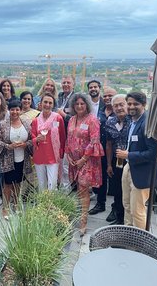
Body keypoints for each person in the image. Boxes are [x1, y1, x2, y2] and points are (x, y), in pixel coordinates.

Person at [116, 91, 157, 230]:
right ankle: (129, 235)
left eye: (136, 104)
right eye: (129, 104)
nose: (131, 106)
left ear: (144, 105)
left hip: (142, 173)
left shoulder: (148, 123)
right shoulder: (133, 121)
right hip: (130, 167)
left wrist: (128, 155)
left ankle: (140, 243)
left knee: (137, 210)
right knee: (127, 205)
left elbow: (153, 153)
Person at [65, 93, 104, 236]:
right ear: (73, 106)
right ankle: (79, 215)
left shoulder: (92, 120)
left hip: (87, 160)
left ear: (87, 105)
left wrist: (83, 159)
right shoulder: (71, 119)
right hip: (74, 160)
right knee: (78, 189)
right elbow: (69, 139)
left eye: (82, 103)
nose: (80, 106)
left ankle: (83, 222)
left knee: (83, 189)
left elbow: (95, 141)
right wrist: (68, 155)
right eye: (77, 104)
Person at [0, 100, 33, 219]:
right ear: (8, 110)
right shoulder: (3, 124)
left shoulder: (26, 123)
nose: (15, 112)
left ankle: (16, 205)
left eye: (17, 109)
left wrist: (26, 144)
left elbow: (32, 139)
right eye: (12, 109)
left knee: (18, 183)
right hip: (8, 159)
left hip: (22, 158)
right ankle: (5, 209)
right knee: (8, 185)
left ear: (21, 110)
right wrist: (7, 146)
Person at [105, 94, 131, 225]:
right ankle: (119, 217)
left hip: (131, 160)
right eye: (116, 106)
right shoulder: (110, 121)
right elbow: (108, 144)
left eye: (122, 104)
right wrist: (109, 164)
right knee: (117, 189)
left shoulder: (133, 121)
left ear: (127, 105)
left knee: (128, 191)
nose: (119, 108)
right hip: (116, 160)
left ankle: (128, 220)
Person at [31, 93, 66, 191]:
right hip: (39, 154)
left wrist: (62, 152)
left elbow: (62, 136)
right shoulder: (35, 121)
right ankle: (42, 205)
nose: (47, 104)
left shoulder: (58, 118)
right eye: (45, 102)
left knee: (52, 184)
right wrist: (36, 139)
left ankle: (51, 205)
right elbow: (32, 138)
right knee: (42, 184)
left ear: (53, 105)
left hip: (53, 155)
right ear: (41, 103)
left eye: (50, 103)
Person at [87, 80, 109, 216]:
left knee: (102, 174)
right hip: (88, 144)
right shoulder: (85, 104)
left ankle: (101, 203)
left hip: (103, 145)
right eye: (91, 87)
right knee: (91, 172)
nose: (93, 89)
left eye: (95, 87)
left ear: (99, 88)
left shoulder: (106, 104)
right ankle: (92, 195)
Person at [57, 75, 76, 193]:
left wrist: (63, 115)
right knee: (60, 161)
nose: (66, 85)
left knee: (66, 163)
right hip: (59, 133)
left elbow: (77, 118)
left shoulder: (76, 98)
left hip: (70, 135)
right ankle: (62, 184)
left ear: (73, 85)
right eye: (64, 83)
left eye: (68, 83)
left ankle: (66, 188)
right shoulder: (60, 96)